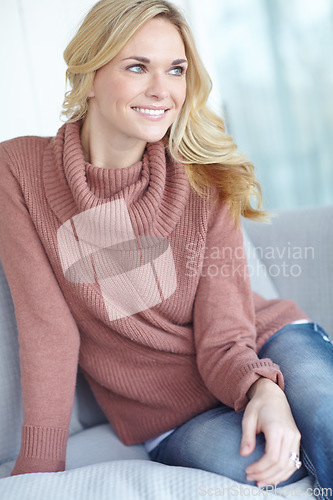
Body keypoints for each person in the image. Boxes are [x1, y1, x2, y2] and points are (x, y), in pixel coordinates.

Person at [0, 0, 332, 494]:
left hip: (257, 343)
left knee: (326, 421)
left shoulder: (204, 180)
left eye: (175, 70)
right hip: (167, 411)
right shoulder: (18, 170)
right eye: (137, 67)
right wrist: (36, 475)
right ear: (89, 75)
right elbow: (48, 330)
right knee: (267, 466)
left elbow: (225, 335)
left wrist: (265, 387)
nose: (162, 90)